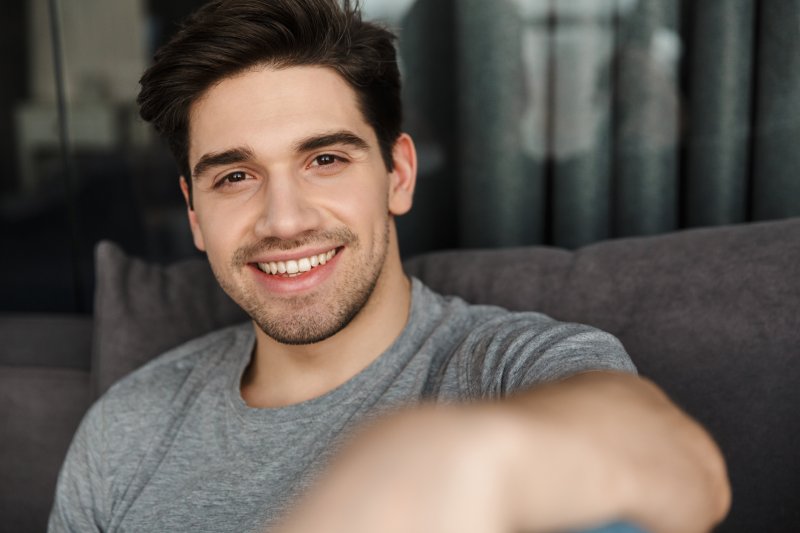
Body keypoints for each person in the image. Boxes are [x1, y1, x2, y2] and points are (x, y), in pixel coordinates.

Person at [48, 1, 730, 532]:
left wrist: (446, 459)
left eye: (325, 160)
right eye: (234, 176)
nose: (284, 220)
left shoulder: (512, 367)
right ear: (194, 214)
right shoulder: (125, 430)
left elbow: (683, 468)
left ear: (398, 174)